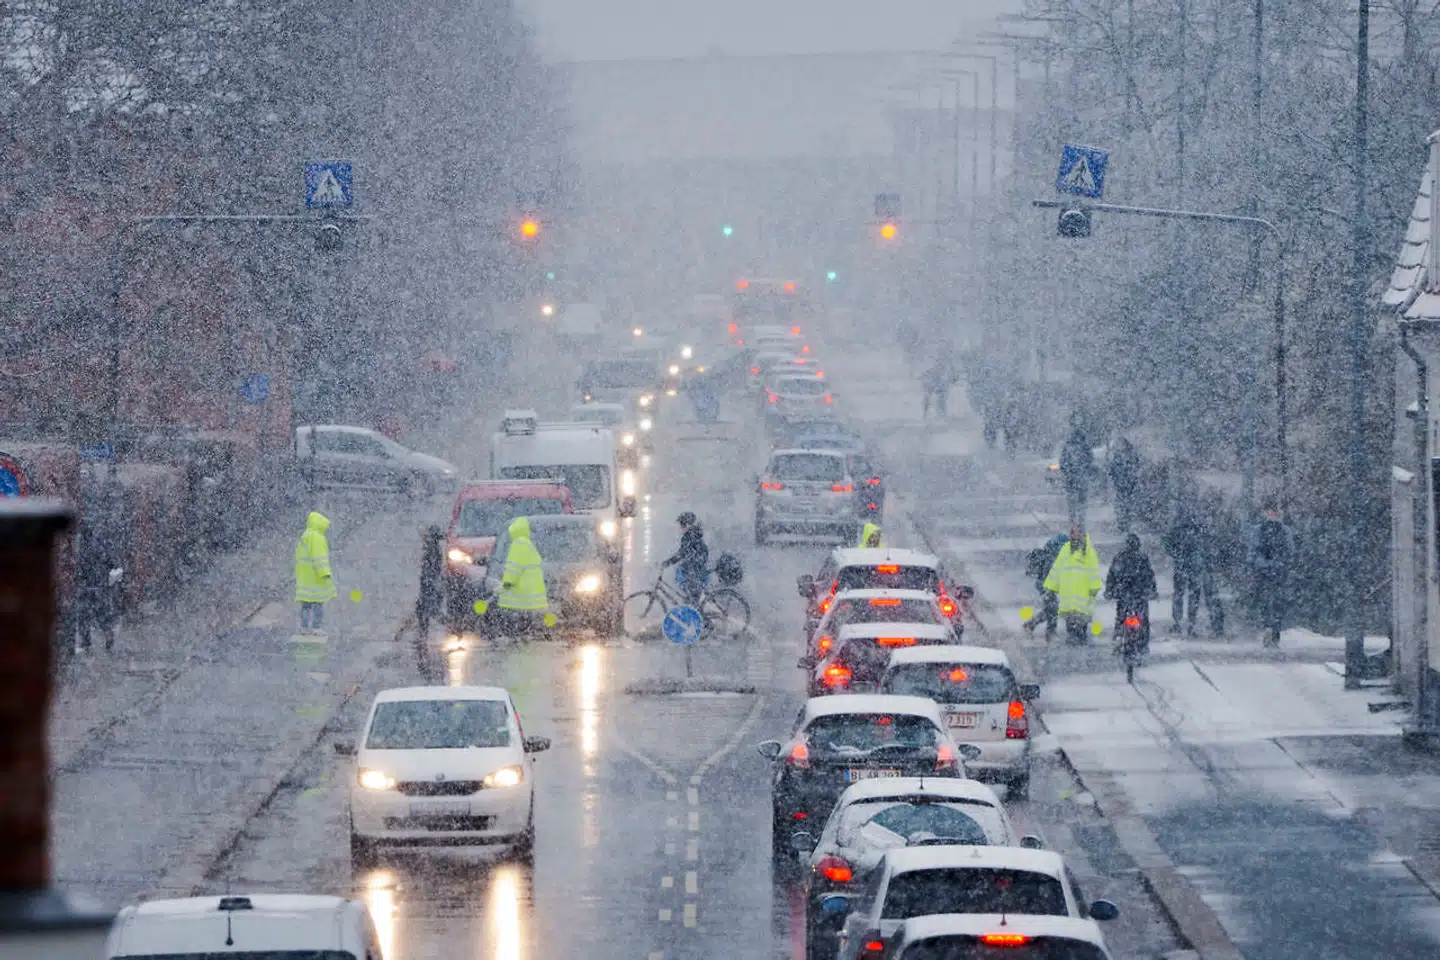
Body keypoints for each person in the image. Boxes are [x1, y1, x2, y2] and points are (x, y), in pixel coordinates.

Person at [1043, 524, 1104, 645]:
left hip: (1082, 593)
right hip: (1068, 594)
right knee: (1070, 622)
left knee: (1082, 621)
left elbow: (1093, 571)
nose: (1073, 535)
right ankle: (1073, 640)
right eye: (1072, 532)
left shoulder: (1088, 551)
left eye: (1076, 532)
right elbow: (1057, 568)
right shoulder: (1066, 549)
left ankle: (1080, 639)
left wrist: (1094, 587)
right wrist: (1050, 587)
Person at [1248, 503, 1293, 648]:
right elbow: (1291, 551)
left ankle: (1269, 629)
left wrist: (1256, 565)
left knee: (1268, 601)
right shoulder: (1282, 530)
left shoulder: (1260, 530)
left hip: (1267, 571)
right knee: (1274, 602)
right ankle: (1273, 631)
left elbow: (1252, 552)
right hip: (1275, 571)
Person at [496, 516, 549, 633]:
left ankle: (515, 636)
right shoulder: (528, 544)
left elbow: (514, 567)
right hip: (530, 594)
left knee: (514, 622)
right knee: (526, 620)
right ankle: (525, 635)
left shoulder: (518, 544)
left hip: (519, 594)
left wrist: (508, 582)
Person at [1105, 533, 1158, 652]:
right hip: (1139, 596)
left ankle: (1118, 639)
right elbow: (1150, 576)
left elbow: (1111, 576)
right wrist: (1152, 591)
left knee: (1121, 618)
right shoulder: (1142, 558)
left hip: (1123, 595)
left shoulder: (1119, 557)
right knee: (1143, 620)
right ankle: (1143, 644)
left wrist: (1110, 591)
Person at [294, 511, 336, 632]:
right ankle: (316, 628)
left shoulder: (305, 535)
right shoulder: (318, 537)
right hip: (316, 578)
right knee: (318, 604)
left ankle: (304, 627)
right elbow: (320, 557)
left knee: (305, 605)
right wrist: (325, 573)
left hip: (305, 578)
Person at [1023, 533, 1068, 640]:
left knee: (1051, 608)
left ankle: (1034, 625)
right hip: (1046, 585)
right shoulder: (1053, 557)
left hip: (1044, 585)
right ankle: (1048, 631)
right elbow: (1052, 574)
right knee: (1053, 608)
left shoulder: (1050, 552)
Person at [662, 511, 710, 605]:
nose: (681, 527)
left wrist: (668, 563)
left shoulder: (690, 536)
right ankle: (696, 612)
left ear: (687, 524)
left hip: (694, 570)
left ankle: (699, 615)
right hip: (696, 568)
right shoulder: (695, 534)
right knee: (691, 596)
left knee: (691, 597)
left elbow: (682, 553)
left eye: (682, 524)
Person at [1059, 421, 1095, 526]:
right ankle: (1081, 522)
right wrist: (1085, 470)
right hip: (1082, 479)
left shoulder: (1068, 447)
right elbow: (1090, 460)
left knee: (1072, 504)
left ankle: (1073, 522)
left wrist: (1068, 472)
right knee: (1082, 503)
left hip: (1071, 479)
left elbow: (1063, 463)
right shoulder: (1085, 447)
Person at [1107, 436, 1141, 532]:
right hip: (1128, 484)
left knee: (1122, 503)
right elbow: (1136, 467)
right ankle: (1125, 522)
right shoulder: (1131, 455)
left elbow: (1112, 469)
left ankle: (1123, 522)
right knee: (1126, 503)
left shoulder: (1119, 456)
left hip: (1122, 484)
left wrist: (1115, 478)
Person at [416, 524, 444, 633]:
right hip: (430, 582)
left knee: (427, 609)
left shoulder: (432, 548)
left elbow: (431, 567)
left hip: (430, 582)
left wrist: (429, 580)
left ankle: (455, 628)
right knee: (425, 609)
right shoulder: (433, 547)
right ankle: (422, 633)